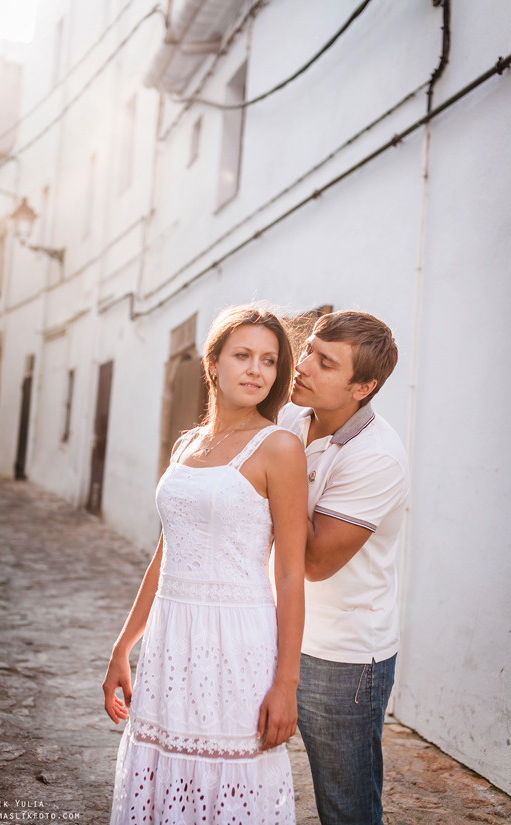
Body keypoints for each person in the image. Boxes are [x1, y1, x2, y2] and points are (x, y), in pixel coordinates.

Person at [103, 305, 308, 825]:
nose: (256, 370)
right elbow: (167, 552)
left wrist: (286, 684)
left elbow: (290, 574)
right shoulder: (187, 444)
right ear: (212, 363)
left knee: (230, 775)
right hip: (172, 637)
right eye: (243, 355)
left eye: (268, 360)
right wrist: (124, 646)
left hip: (237, 641)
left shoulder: (280, 448)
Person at [278, 310, 409, 825]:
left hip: (342, 658)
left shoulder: (377, 456)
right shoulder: (291, 418)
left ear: (362, 387)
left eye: (325, 362)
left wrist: (277, 476)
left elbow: (314, 562)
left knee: (346, 809)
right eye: (308, 349)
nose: (303, 364)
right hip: (275, 629)